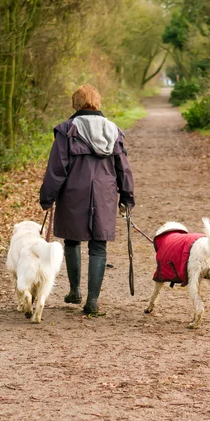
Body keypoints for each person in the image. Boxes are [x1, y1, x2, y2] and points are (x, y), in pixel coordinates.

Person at [39, 84, 135, 314]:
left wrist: (47, 197)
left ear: (76, 104)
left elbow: (57, 169)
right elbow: (123, 168)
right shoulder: (113, 131)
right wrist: (127, 198)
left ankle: (75, 291)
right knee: (98, 245)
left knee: (72, 240)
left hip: (74, 192)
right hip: (105, 193)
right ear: (98, 103)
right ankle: (92, 301)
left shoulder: (67, 130)